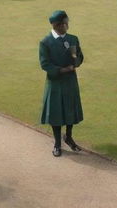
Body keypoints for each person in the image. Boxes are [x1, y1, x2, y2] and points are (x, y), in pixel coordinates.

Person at [39, 10, 84, 157]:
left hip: (70, 81)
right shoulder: (46, 42)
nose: (67, 25)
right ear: (58, 25)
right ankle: (57, 143)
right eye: (65, 23)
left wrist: (75, 60)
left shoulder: (73, 39)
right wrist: (63, 70)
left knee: (70, 111)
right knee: (56, 114)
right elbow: (45, 64)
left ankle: (69, 137)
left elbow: (79, 57)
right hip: (56, 82)